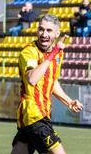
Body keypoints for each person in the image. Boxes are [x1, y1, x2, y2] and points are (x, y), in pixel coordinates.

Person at [11, 14, 83, 154]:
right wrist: (53, 53)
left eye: (49, 31)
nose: (44, 34)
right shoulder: (29, 52)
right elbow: (32, 79)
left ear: (57, 33)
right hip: (34, 113)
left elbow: (51, 80)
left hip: (35, 116)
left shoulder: (58, 54)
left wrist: (68, 101)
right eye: (41, 29)